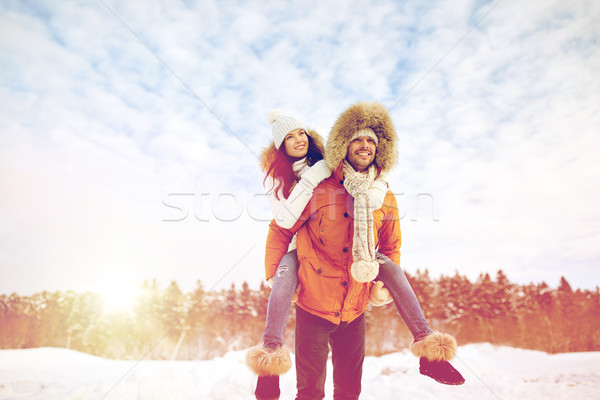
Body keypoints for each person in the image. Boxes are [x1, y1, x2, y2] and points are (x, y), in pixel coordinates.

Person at [262, 102, 464, 400]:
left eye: (371, 140)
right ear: (344, 145)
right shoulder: (317, 188)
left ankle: (429, 352)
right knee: (309, 392)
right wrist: (276, 274)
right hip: (314, 304)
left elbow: (391, 245)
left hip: (354, 305)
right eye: (357, 138)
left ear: (380, 148)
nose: (365, 145)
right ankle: (268, 364)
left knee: (349, 391)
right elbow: (280, 228)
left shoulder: (385, 196)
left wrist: (381, 285)